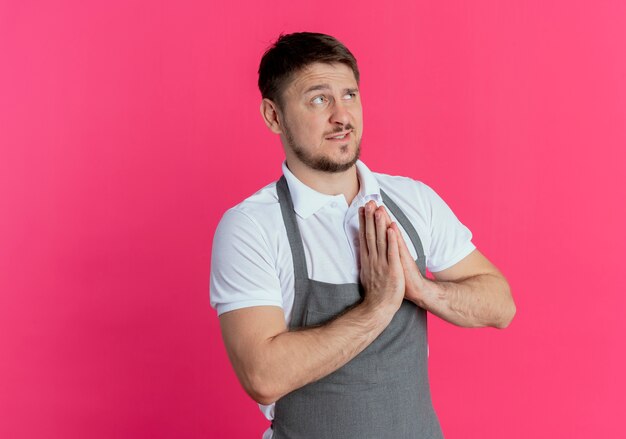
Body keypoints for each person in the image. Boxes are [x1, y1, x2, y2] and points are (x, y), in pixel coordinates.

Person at [210, 32, 516, 439]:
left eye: (349, 95)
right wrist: (377, 307)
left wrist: (421, 290)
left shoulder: (413, 201)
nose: (342, 116)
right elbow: (262, 375)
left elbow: (501, 305)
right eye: (319, 99)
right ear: (274, 116)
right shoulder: (251, 227)